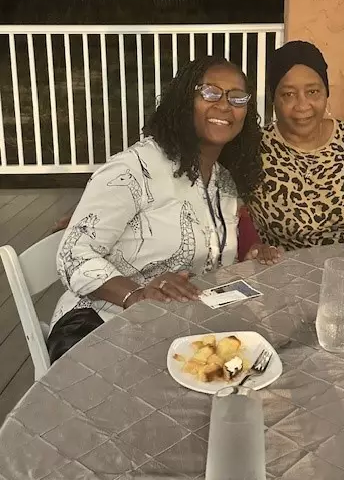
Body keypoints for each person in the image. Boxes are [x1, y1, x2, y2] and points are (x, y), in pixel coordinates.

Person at [47, 56, 280, 362]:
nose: (225, 105)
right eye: (210, 92)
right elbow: (73, 254)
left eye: (236, 97)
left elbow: (209, 262)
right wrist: (136, 294)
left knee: (261, 359)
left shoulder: (222, 180)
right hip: (100, 323)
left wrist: (248, 255)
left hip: (173, 327)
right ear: (184, 100)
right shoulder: (134, 168)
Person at [247, 40, 344, 250]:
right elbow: (239, 227)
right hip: (286, 265)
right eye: (288, 94)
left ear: (326, 93)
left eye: (313, 92)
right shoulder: (253, 150)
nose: (302, 105)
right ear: (273, 99)